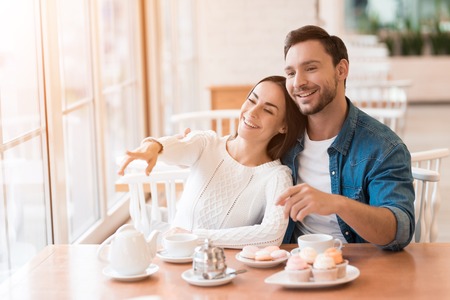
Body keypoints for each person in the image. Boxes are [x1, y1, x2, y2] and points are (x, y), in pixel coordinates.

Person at [118, 75, 306, 248]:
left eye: (267, 110)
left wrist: (196, 238)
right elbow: (177, 148)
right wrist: (153, 146)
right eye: (251, 100)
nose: (253, 112)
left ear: (283, 126)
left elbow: (272, 235)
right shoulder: (207, 143)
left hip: (220, 271)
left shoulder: (276, 176)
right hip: (170, 257)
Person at [276, 25, 415, 251]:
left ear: (341, 70)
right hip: (294, 265)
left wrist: (337, 203)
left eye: (310, 68)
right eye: (290, 73)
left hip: (359, 269)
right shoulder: (283, 137)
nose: (298, 82)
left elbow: (399, 231)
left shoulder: (383, 147)